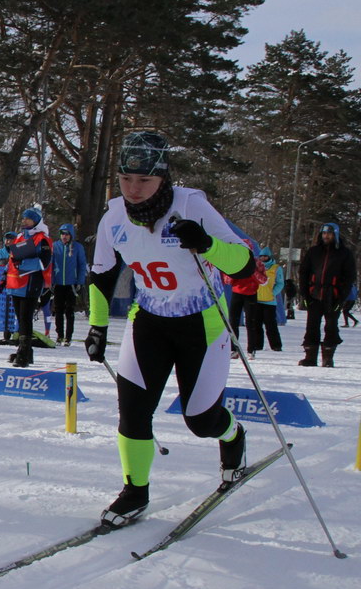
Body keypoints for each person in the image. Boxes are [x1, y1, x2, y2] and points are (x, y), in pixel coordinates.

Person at [84, 131, 255, 528]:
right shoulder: (113, 218)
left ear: (163, 177)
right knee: (133, 413)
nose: (134, 189)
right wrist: (95, 327)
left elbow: (244, 264)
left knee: (201, 421)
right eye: (126, 180)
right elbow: (101, 277)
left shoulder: (191, 205)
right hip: (149, 321)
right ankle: (135, 490)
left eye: (144, 181)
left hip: (202, 322)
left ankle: (233, 436)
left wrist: (207, 243)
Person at [297, 222, 356, 367]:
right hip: (314, 294)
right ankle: (310, 357)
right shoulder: (314, 252)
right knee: (312, 325)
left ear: (335, 235)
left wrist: (341, 297)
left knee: (331, 326)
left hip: (333, 296)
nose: (326, 236)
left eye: (329, 233)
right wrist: (304, 294)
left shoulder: (344, 253)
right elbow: (304, 272)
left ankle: (328, 357)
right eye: (324, 233)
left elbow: (349, 277)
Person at [2, 208, 52, 367]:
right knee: (19, 316)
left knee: (25, 317)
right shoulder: (19, 237)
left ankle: (23, 351)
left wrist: (24, 263)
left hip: (31, 281)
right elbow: (12, 259)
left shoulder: (42, 239)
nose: (24, 221)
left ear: (36, 221)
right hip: (16, 283)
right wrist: (4, 276)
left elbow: (45, 261)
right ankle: (26, 351)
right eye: (23, 218)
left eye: (28, 219)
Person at [224, 251, 266, 360]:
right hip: (237, 293)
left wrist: (252, 271)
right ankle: (234, 349)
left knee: (250, 323)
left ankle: (251, 350)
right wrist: (236, 272)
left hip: (251, 294)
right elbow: (227, 279)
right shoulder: (235, 260)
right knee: (233, 321)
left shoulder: (257, 263)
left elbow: (264, 280)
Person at [51, 223, 87, 346]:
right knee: (58, 310)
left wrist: (80, 281)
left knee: (69, 310)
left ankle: (68, 336)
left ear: (71, 235)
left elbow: (82, 265)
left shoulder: (77, 247)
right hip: (58, 283)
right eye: (62, 234)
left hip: (72, 284)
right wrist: (50, 280)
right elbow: (50, 265)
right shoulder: (55, 246)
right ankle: (59, 335)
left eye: (66, 234)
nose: (64, 236)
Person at [251, 247, 284, 352]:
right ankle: (257, 345)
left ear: (269, 257)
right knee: (256, 324)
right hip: (257, 300)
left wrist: (272, 293)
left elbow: (280, 283)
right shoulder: (256, 267)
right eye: (261, 256)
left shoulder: (275, 268)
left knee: (271, 325)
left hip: (270, 301)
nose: (263, 258)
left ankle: (276, 345)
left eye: (265, 256)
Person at [0, 231, 15, 344]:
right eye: (6, 239)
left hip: (12, 285)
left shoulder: (17, 252)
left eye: (10, 239)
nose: (8, 241)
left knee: (10, 310)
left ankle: (7, 334)